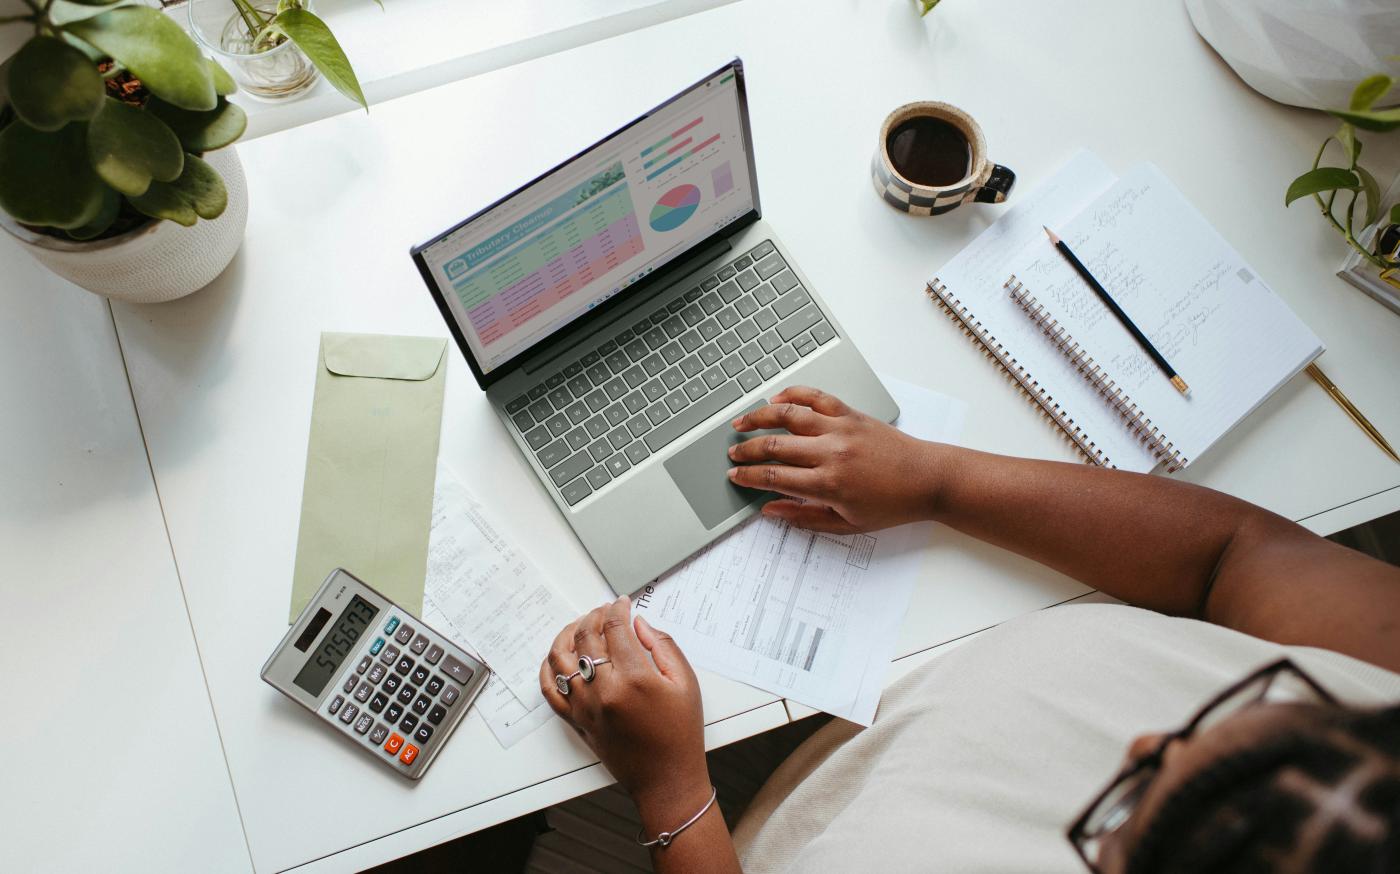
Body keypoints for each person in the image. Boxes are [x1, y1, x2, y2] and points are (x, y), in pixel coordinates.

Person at [539, 387, 1400, 873]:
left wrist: (671, 792)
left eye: (1128, 811)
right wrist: (936, 481)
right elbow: (1233, 556)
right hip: (880, 709)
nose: (1141, 744)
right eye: (1251, 701)